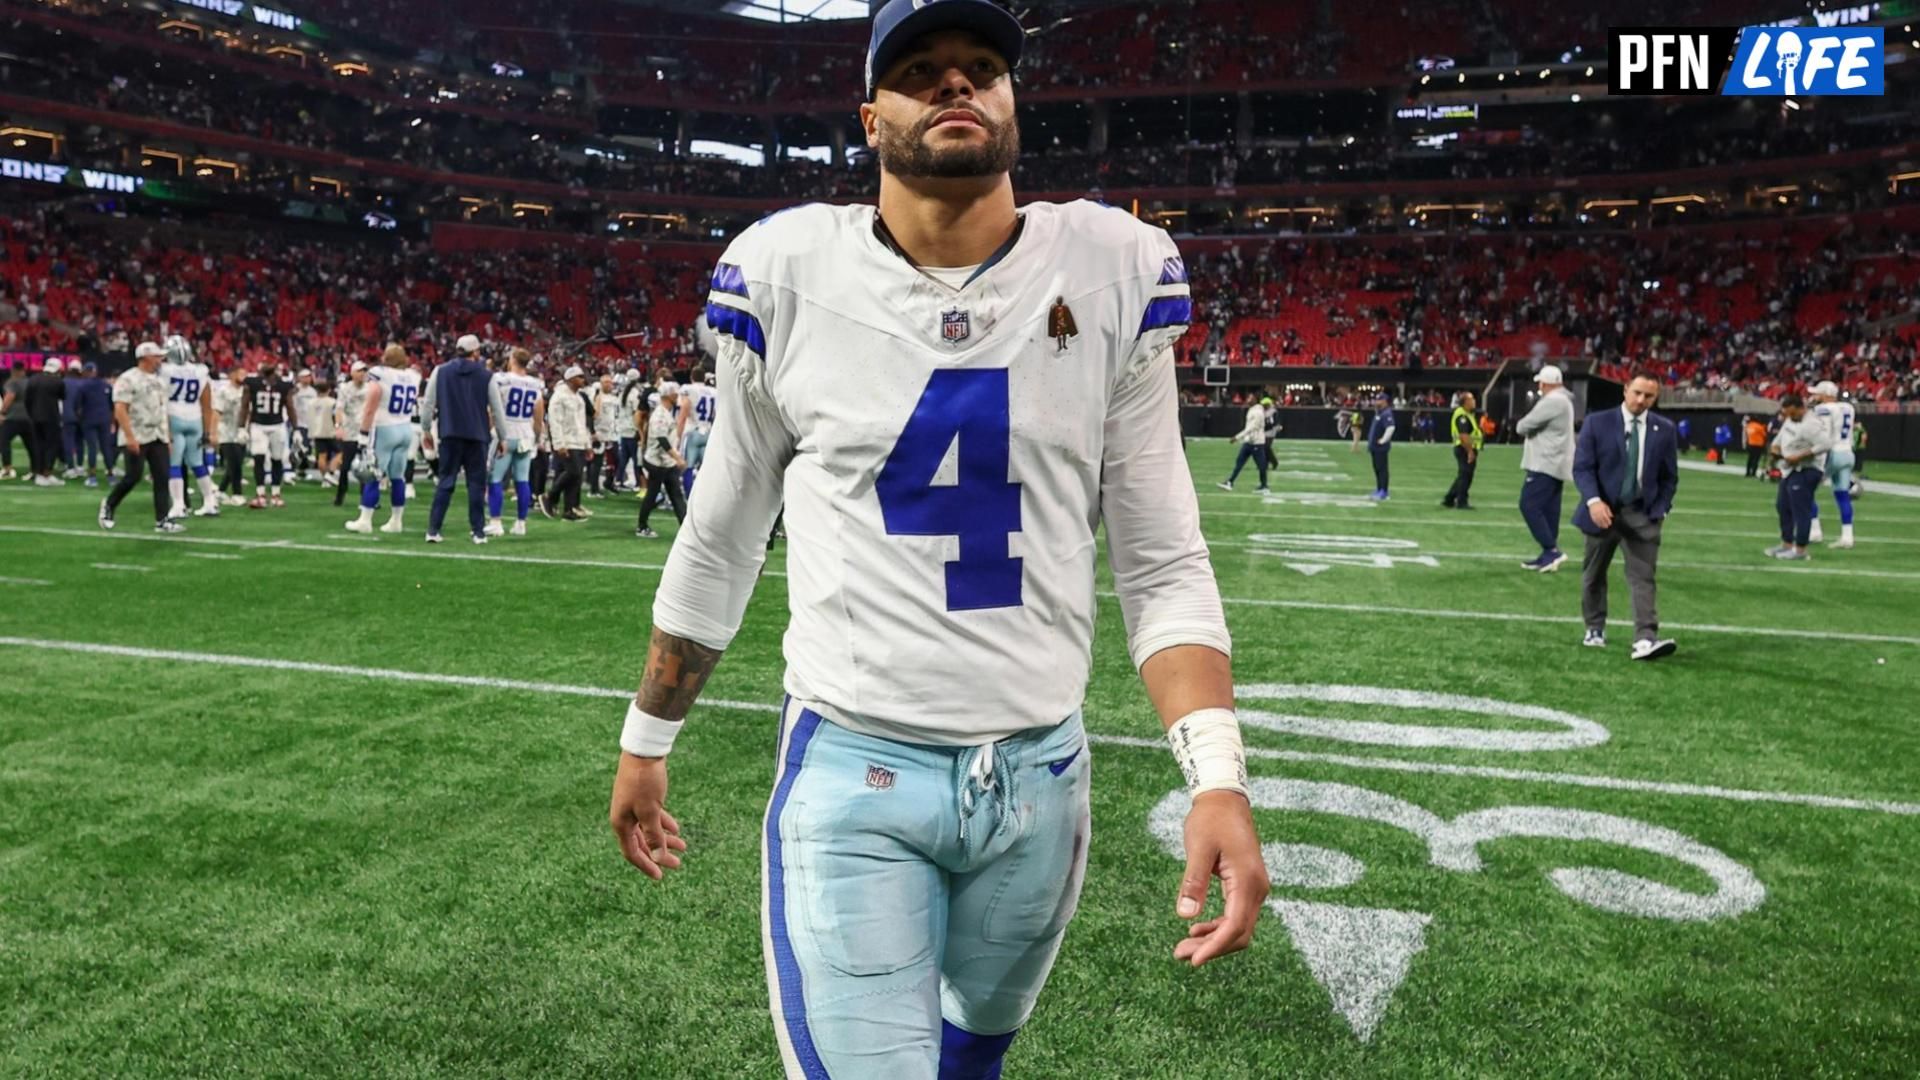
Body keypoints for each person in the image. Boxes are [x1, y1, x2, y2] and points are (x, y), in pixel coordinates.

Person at [607, 5, 1265, 1077]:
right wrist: (647, 738)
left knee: (974, 1063)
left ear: (1012, 100)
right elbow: (724, 531)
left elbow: (1160, 558)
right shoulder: (786, 272)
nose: (956, 86)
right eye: (921, 72)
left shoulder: (1111, 267)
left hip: (1043, 778)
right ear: (872, 118)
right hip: (855, 765)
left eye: (981, 68)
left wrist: (1219, 776)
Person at [1572, 373, 1679, 660]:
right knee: (1594, 574)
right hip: (1602, 512)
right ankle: (1594, 627)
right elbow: (1582, 468)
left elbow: (1670, 477)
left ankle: (1645, 638)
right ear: (1625, 390)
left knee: (1644, 578)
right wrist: (1593, 502)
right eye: (1637, 393)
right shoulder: (1598, 422)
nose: (1641, 400)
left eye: (1649, 396)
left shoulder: (1664, 429)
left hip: (1642, 514)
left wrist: (1661, 509)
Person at [422, 334, 500, 545]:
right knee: (476, 485)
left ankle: (433, 529)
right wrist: (502, 436)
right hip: (477, 436)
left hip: (449, 434)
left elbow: (428, 403)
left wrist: (426, 429)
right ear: (475, 352)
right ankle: (478, 532)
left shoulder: (440, 371)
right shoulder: (487, 376)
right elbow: (496, 409)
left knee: (445, 483)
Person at [98, 342, 179, 532]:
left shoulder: (159, 381)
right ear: (145, 357)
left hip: (157, 434)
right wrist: (129, 436)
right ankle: (109, 505)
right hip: (137, 432)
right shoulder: (128, 379)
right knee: (133, 476)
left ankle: (162, 519)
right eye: (157, 356)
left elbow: (163, 409)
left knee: (162, 476)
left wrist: (167, 437)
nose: (161, 359)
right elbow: (120, 408)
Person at [346, 345, 421, 534]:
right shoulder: (413, 376)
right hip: (405, 428)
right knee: (398, 478)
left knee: (372, 474)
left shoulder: (380, 374)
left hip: (384, 428)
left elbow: (372, 403)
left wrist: (363, 433)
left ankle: (365, 520)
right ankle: (396, 521)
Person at [1514, 366, 1575, 572]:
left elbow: (1522, 426)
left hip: (1545, 462)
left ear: (1545, 383)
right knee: (1550, 509)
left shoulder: (1553, 401)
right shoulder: (1563, 400)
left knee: (1528, 504)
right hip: (1555, 461)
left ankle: (1551, 550)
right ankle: (1549, 554)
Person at [159, 335, 221, 518]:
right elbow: (207, 402)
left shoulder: (164, 370)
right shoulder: (200, 370)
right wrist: (208, 430)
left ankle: (179, 505)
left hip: (174, 417)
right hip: (195, 419)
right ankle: (210, 501)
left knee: (174, 463)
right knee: (197, 463)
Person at [486, 347, 545, 537]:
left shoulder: (500, 379)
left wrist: (492, 430)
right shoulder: (535, 383)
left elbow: (493, 408)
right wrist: (536, 437)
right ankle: (521, 524)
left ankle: (496, 522)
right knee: (522, 479)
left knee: (495, 478)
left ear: (512, 359)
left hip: (505, 432)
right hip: (525, 434)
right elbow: (539, 414)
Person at [1767, 394, 1832, 562]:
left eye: (1792, 413)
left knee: (1800, 510)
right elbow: (1779, 439)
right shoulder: (1790, 420)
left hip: (1807, 469)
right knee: (1783, 506)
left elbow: (1826, 444)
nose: (1789, 417)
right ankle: (1786, 544)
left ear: (1800, 408)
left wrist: (1801, 456)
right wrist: (1774, 450)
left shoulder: (1812, 424)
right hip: (1790, 469)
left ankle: (1801, 549)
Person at [635, 382, 688, 539]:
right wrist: (677, 457)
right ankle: (642, 526)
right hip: (657, 461)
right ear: (669, 395)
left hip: (666, 461)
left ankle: (686, 530)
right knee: (653, 494)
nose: (677, 396)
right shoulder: (660, 414)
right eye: (675, 393)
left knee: (675, 495)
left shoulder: (665, 412)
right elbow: (662, 440)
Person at [1807, 381, 1857, 550]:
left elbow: (1824, 435)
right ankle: (1847, 536)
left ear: (1826, 394)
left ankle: (1814, 530)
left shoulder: (1823, 409)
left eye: (1818, 393)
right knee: (1842, 495)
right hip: (1848, 453)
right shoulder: (1848, 408)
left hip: (1832, 453)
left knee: (1807, 490)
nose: (1815, 396)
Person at [240, 361, 295, 508]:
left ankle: (271, 494)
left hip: (275, 425)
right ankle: (264, 494)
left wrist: (296, 429)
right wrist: (241, 427)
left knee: (274, 459)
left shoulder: (282, 386)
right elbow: (245, 404)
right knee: (261, 458)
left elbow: (290, 406)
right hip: (260, 425)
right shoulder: (253, 383)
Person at [541, 364, 591, 521]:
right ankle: (549, 496)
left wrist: (587, 444)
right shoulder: (559, 397)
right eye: (580, 377)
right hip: (566, 441)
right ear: (570, 379)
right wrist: (559, 444)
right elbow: (555, 422)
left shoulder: (578, 397)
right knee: (573, 472)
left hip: (578, 441)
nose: (583, 380)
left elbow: (582, 423)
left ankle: (569, 509)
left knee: (576, 477)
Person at [69, 362, 116, 486]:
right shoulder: (106, 385)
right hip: (104, 419)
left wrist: (81, 418)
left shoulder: (83, 386)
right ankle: (111, 475)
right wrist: (112, 421)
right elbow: (112, 406)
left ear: (86, 372)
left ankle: (92, 476)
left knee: (92, 448)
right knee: (106, 447)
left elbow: (77, 406)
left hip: (89, 419)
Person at [23, 357, 66, 486]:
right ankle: (47, 473)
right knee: (51, 446)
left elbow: (27, 400)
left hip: (35, 417)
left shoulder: (33, 380)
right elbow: (63, 396)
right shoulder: (58, 381)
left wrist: (32, 414)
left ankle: (39, 473)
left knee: (39, 445)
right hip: (51, 417)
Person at [1217, 394, 1271, 493]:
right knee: (1239, 462)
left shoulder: (1258, 412)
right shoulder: (1252, 410)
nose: (1248, 399)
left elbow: (1251, 428)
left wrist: (1237, 437)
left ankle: (1264, 486)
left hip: (1256, 442)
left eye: (1250, 398)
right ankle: (1230, 482)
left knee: (1261, 465)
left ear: (1255, 400)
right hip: (1249, 442)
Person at [332, 361, 369, 506]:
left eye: (364, 371)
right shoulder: (345, 389)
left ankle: (366, 498)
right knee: (345, 466)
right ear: (352, 373)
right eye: (359, 371)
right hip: (350, 431)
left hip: (366, 431)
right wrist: (339, 426)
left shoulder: (369, 388)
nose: (362, 374)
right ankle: (340, 495)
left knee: (366, 466)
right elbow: (339, 409)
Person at [679, 364, 717, 496]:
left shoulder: (688, 389)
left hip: (693, 431)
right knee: (706, 469)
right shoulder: (714, 392)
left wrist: (678, 436)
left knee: (687, 467)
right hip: (708, 432)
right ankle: (707, 498)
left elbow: (684, 412)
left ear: (691, 377)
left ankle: (689, 499)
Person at [212, 367, 249, 505]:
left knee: (236, 463)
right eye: (241, 373)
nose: (244, 376)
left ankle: (220, 492)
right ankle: (236, 494)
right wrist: (213, 431)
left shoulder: (246, 390)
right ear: (232, 374)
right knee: (235, 464)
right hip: (226, 430)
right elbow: (217, 411)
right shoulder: (223, 391)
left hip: (240, 431)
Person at [1442, 390, 1481, 509]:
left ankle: (1449, 499)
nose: (1474, 401)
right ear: (1465, 402)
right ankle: (1461, 501)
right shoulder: (1462, 415)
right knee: (1466, 475)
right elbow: (1463, 435)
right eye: (1471, 399)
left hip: (1465, 448)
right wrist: (1470, 451)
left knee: (1463, 475)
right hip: (1464, 448)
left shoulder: (1467, 414)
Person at [0, 364, 33, 480]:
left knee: (3, 441)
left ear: (13, 370)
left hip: (13, 417)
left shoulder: (12, 382)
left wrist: (2, 412)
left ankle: (7, 469)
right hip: (28, 418)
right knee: (31, 445)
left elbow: (10, 396)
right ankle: (34, 470)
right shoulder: (30, 382)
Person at [1366, 390, 1394, 501]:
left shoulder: (1386, 413)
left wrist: (1383, 440)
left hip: (1380, 448)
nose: (1376, 401)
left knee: (1382, 469)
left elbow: (1391, 427)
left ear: (1384, 401)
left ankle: (1384, 491)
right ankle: (1379, 489)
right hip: (1375, 447)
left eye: (1379, 399)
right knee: (1377, 469)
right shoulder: (1379, 412)